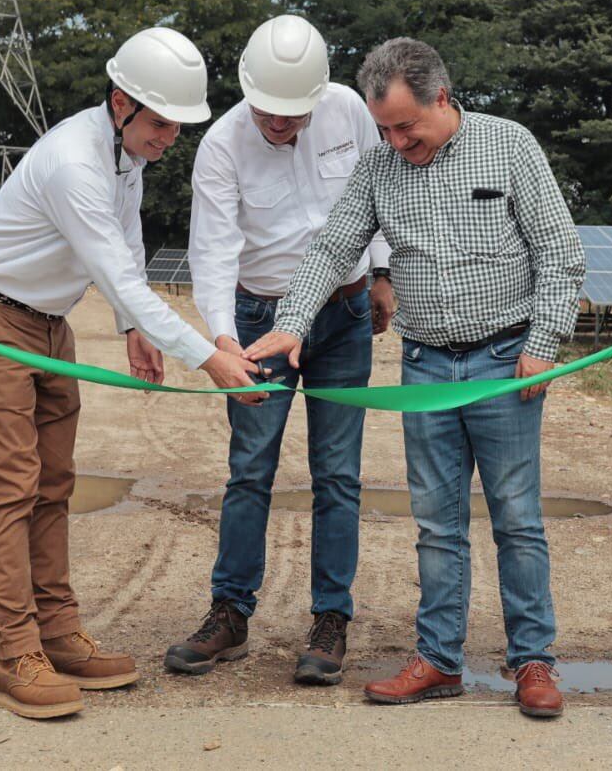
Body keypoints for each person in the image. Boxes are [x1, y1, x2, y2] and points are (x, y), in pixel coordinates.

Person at [244, 37, 585, 719]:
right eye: (384, 129)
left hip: (502, 363)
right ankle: (439, 660)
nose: (398, 141)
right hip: (426, 365)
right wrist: (292, 321)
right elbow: (333, 246)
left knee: (516, 520)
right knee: (435, 523)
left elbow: (559, 250)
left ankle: (532, 662)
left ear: (441, 97)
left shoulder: (509, 145)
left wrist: (544, 342)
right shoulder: (377, 169)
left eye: (408, 126)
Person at [0, 26, 266, 719]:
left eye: (178, 125)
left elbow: (126, 242)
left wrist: (130, 330)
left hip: (48, 324)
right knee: (14, 485)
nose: (169, 137)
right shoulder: (73, 163)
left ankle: (58, 633)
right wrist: (208, 355)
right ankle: (15, 653)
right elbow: (119, 272)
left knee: (54, 482)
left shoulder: (126, 156)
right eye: (159, 122)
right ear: (119, 101)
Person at [165, 15, 394, 686]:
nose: (280, 123)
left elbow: (374, 193)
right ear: (246, 90)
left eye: (294, 113)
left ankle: (330, 621)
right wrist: (221, 342)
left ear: (318, 96)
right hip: (260, 319)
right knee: (250, 470)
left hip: (344, 314)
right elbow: (210, 248)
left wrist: (380, 274)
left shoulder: (348, 109)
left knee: (338, 475)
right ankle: (229, 613)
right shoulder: (220, 145)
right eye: (268, 110)